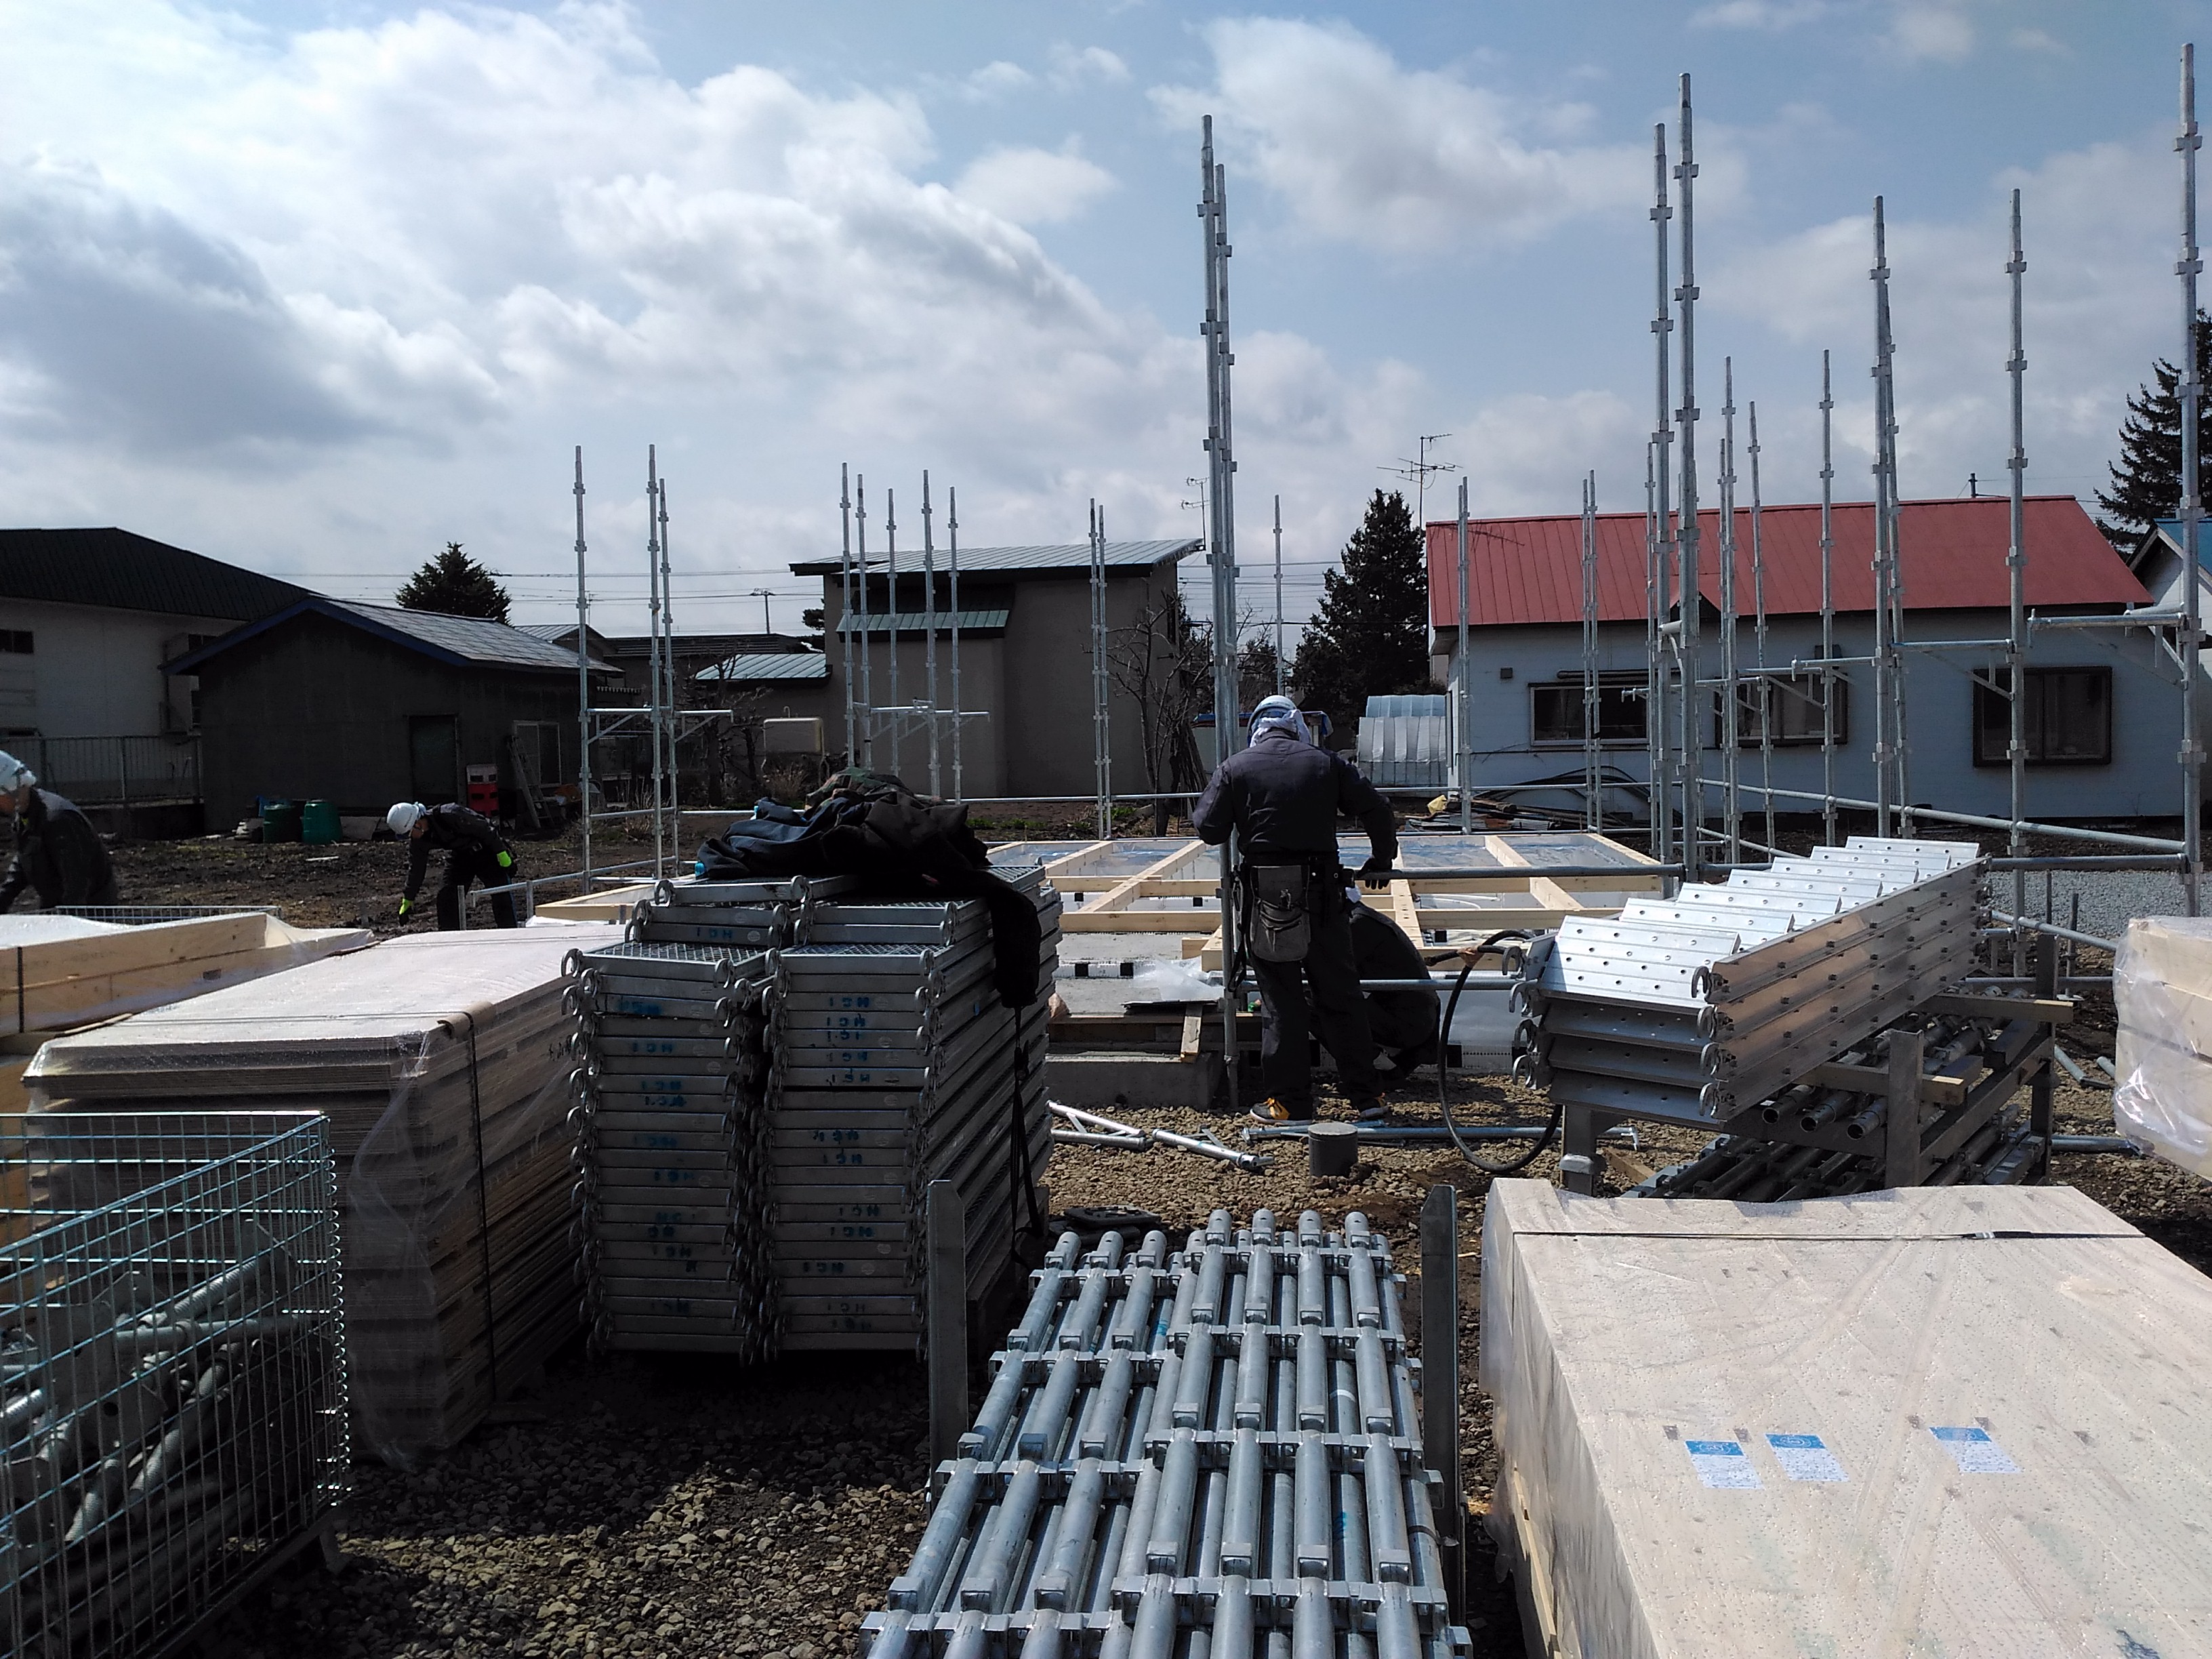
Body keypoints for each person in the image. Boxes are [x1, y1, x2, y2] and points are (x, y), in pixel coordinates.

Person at [1193, 695, 1398, 1124]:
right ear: (1297, 727)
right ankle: (1368, 1099)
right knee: (1340, 997)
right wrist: (1381, 861)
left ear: (1257, 731)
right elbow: (1377, 808)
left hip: (1267, 899)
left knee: (1281, 1002)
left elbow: (1209, 829)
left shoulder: (1236, 767)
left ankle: (1289, 1105)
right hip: (1325, 895)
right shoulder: (1326, 763)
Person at [0, 750, 119, 912]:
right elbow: (24, 861)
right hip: (59, 908)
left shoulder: (58, 820)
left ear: (10, 789)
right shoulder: (25, 816)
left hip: (92, 915)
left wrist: (66, 922)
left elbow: (77, 881)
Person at [1345, 888, 1441, 1073]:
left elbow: (1331, 973)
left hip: (1407, 1024)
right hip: (1416, 1018)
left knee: (1312, 999)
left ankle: (1377, 1068)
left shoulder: (1356, 925)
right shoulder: (1367, 918)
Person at [390, 799, 520, 928]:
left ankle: (510, 932)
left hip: (486, 850)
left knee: (501, 894)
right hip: (461, 856)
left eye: (410, 834)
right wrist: (408, 899)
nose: (411, 838)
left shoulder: (450, 814)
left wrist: (502, 853)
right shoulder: (419, 841)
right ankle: (450, 937)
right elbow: (416, 869)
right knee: (447, 898)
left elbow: (485, 828)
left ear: (418, 824)